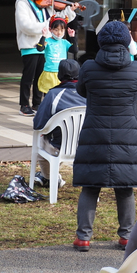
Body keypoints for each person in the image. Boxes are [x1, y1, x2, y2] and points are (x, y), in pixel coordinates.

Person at [72, 21, 137, 252]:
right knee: (125, 187)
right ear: (127, 41)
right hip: (127, 133)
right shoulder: (136, 69)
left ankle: (83, 237)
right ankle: (126, 236)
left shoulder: (87, 67)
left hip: (94, 132)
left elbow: (81, 91)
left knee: (90, 185)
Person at [32, 59, 86, 188]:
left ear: (59, 75)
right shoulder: (90, 94)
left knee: (42, 140)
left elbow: (38, 124)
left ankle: (49, 177)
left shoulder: (53, 94)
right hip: (87, 146)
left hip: (58, 147)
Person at [15, 0, 51, 116]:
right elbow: (25, 26)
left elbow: (53, 20)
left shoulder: (40, 4)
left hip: (43, 44)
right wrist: (45, 26)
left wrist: (69, 11)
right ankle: (24, 105)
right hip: (29, 45)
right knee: (28, 77)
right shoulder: (22, 3)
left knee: (40, 77)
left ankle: (37, 104)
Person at [38, 17, 77, 95]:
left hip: (62, 73)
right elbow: (40, 48)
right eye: (56, 30)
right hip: (49, 72)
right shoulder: (47, 41)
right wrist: (43, 36)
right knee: (49, 94)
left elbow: (74, 50)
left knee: (61, 94)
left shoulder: (64, 42)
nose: (59, 33)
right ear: (50, 29)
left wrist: (72, 37)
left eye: (62, 30)